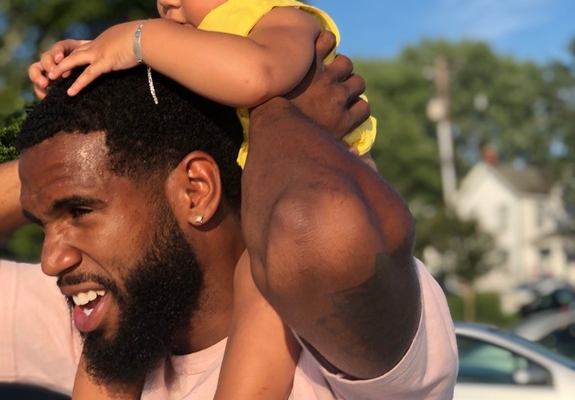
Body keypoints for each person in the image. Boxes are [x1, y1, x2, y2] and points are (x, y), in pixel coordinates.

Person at [28, 0, 378, 397]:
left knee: (259, 281)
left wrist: (139, 38)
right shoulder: (199, 38)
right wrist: (85, 63)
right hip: (264, 202)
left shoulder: (281, 21)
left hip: (315, 207)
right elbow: (152, 93)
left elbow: (254, 75)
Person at [0, 32, 458, 398]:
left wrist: (272, 107)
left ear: (196, 190)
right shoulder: (101, 316)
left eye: (80, 210)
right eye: (43, 222)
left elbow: (317, 227)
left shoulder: (328, 344)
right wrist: (55, 162)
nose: (51, 261)